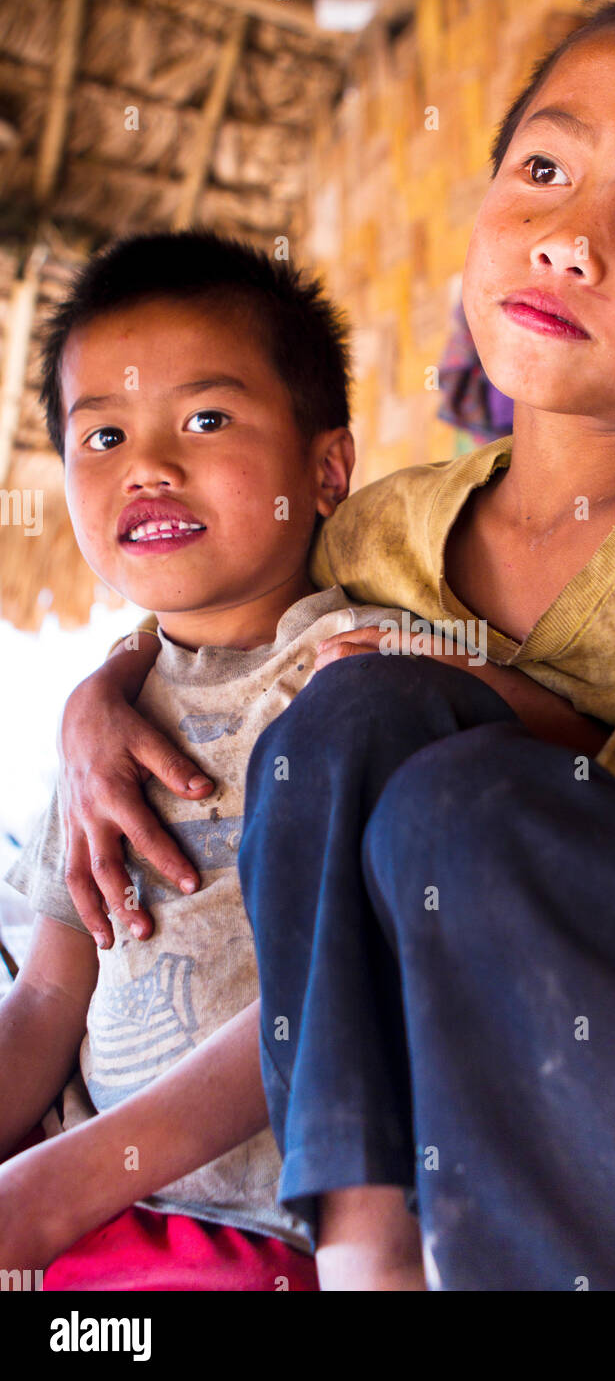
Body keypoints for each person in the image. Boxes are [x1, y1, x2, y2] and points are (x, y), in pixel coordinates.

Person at [49, 0, 615, 1290]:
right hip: (517, 1083)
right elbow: (212, 608)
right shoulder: (383, 534)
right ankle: (367, 1239)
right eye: (543, 168)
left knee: (456, 781)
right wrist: (99, 695)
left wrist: (508, 710)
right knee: (356, 723)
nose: (570, 239)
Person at [0, 229, 395, 1287]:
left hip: (263, 1229)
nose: (149, 468)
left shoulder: (356, 679)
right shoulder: (104, 727)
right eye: (104, 436)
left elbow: (330, 997)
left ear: (325, 469)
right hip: (89, 1210)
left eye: (206, 419)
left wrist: (48, 1190)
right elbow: (44, 999)